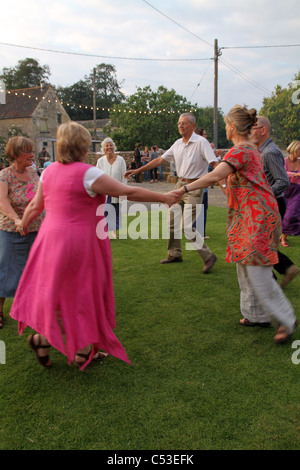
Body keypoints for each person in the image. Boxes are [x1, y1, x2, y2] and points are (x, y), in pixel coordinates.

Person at [10, 122, 180, 370]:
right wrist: (163, 197)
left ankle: (48, 340)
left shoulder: (47, 172)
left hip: (48, 241)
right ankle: (78, 348)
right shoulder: (88, 173)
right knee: (82, 292)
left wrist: (23, 224)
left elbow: (36, 207)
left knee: (58, 292)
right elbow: (127, 192)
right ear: (82, 146)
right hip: (78, 244)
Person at [174, 105, 297, 344]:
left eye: (226, 123)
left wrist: (183, 188)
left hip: (257, 217)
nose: (225, 127)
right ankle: (255, 315)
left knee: (258, 271)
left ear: (232, 126)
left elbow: (213, 176)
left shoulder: (241, 151)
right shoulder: (246, 149)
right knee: (244, 267)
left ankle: (286, 319)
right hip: (247, 216)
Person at [125, 113, 219, 273]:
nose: (181, 126)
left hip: (195, 186)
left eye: (184, 123)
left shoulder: (201, 142)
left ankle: (209, 257)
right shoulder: (177, 144)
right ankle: (174, 254)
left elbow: (215, 164)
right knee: (171, 222)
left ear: (193, 126)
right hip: (179, 184)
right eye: (179, 123)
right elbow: (159, 160)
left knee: (187, 227)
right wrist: (138, 170)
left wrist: (225, 181)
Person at [0, 137, 44, 329]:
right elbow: (2, 201)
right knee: (5, 271)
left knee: (35, 272)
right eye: (27, 151)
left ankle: (33, 311)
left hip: (36, 230)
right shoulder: (4, 175)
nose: (32, 155)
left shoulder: (34, 173)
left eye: (31, 150)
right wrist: (17, 220)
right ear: (15, 154)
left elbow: (41, 198)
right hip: (11, 231)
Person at [251, 116, 299, 288]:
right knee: (260, 243)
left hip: (272, 204)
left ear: (263, 130)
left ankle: (279, 274)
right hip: (268, 204)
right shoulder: (261, 150)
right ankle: (280, 273)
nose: (250, 131)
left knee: (257, 243)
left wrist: (262, 195)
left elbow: (283, 181)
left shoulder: (269, 152)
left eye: (253, 127)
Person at [96, 137, 127, 239]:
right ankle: (104, 231)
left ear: (113, 147)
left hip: (116, 190)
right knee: (104, 211)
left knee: (115, 210)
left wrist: (124, 191)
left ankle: (114, 232)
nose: (109, 147)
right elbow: (96, 176)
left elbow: (124, 176)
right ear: (103, 148)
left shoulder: (120, 160)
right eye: (107, 146)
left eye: (111, 145)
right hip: (104, 191)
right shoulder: (100, 161)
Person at [281, 141, 300, 247]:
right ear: (294, 149)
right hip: (286, 190)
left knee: (291, 214)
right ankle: (284, 235)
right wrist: (295, 174)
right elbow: (282, 173)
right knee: (284, 214)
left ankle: (283, 238)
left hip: (297, 190)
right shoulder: (284, 161)